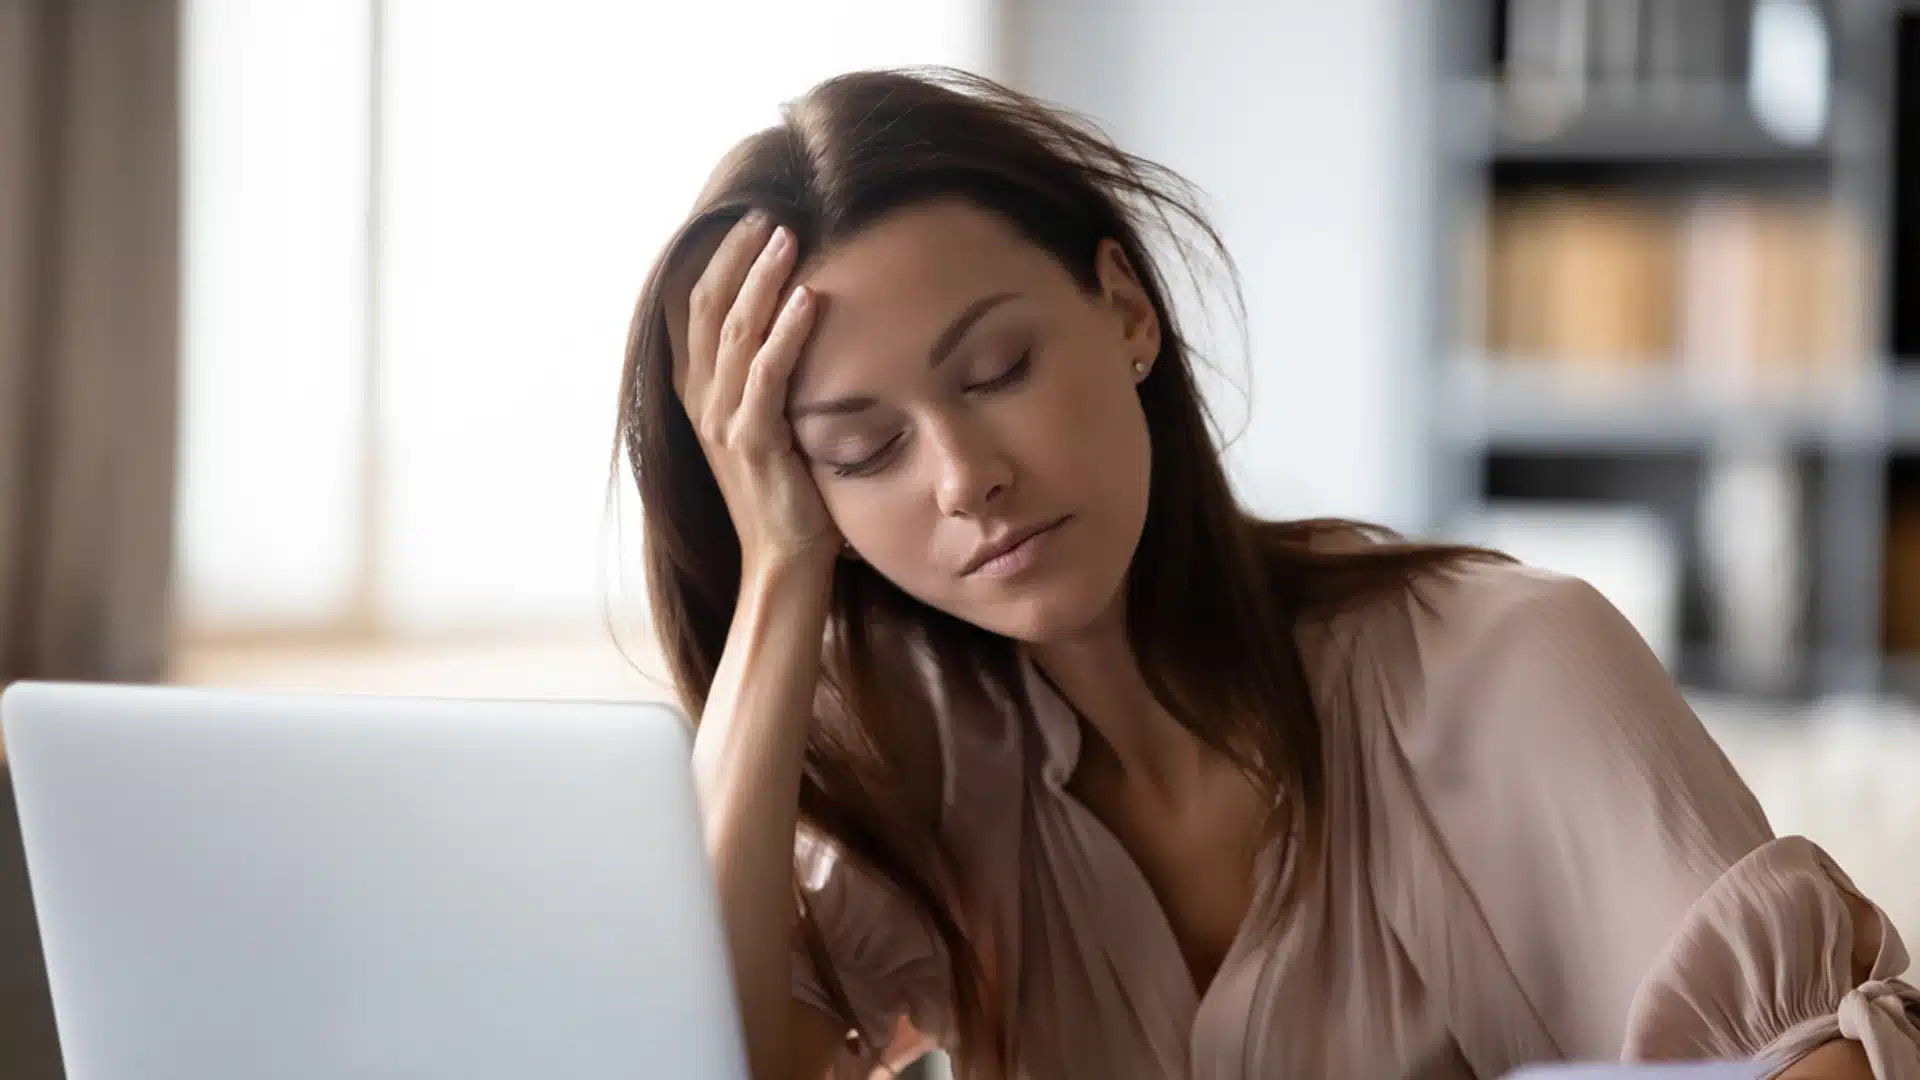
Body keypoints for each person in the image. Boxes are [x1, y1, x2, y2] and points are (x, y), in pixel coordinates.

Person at [614, 68, 1920, 1080]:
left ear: (1126, 310)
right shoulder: (934, 757)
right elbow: (697, 1058)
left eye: (998, 371)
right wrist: (783, 576)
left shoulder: (1507, 668)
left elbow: (1820, 1060)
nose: (964, 478)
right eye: (863, 448)